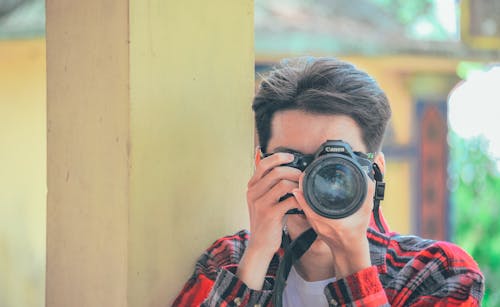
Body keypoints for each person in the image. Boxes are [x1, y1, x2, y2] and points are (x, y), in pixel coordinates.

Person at [173, 57, 484, 306]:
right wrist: (255, 258)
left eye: (334, 164)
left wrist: (353, 259)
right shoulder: (229, 261)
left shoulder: (434, 272)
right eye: (293, 161)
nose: (314, 179)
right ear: (261, 165)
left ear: (375, 171)